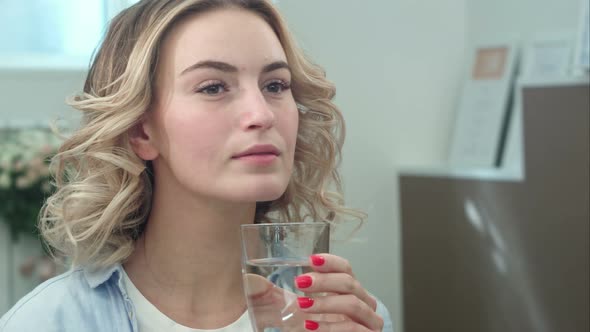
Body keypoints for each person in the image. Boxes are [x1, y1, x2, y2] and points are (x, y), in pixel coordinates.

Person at [0, 0, 393, 331]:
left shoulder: (347, 317)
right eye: (213, 87)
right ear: (141, 131)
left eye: (275, 86)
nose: (261, 114)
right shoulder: (49, 322)